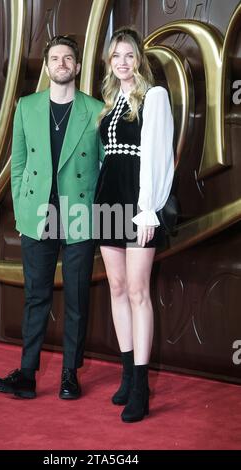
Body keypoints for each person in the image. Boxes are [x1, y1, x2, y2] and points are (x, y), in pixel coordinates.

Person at [0, 36, 104, 400]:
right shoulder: (27, 106)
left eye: (68, 58)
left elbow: (105, 165)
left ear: (78, 67)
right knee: (36, 297)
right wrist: (23, 207)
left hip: (79, 215)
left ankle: (70, 374)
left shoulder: (96, 109)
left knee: (76, 298)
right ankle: (26, 375)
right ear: (47, 66)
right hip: (37, 214)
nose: (61, 63)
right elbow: (18, 164)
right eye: (55, 58)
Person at [94, 27, 174, 422]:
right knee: (118, 286)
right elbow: (107, 157)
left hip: (137, 200)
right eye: (115, 56)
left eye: (128, 55)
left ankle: (141, 386)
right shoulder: (109, 102)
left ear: (138, 59)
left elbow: (160, 156)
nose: (122, 62)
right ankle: (126, 375)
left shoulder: (154, 97)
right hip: (107, 195)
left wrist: (148, 209)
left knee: (139, 291)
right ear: (110, 63)